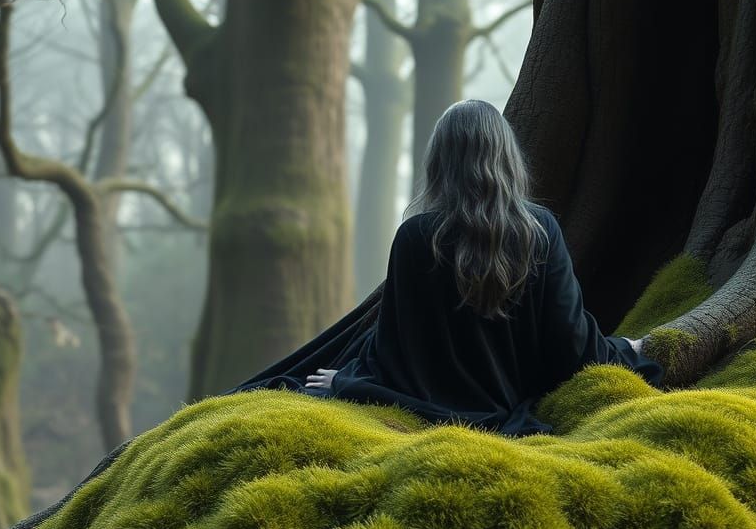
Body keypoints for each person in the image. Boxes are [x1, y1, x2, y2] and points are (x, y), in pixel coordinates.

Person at [226, 100, 664, 436]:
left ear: (440, 163)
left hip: (433, 417)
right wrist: (623, 349)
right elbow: (570, 341)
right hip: (511, 411)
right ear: (507, 160)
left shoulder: (418, 236)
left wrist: (347, 380)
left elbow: (398, 348)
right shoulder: (538, 230)